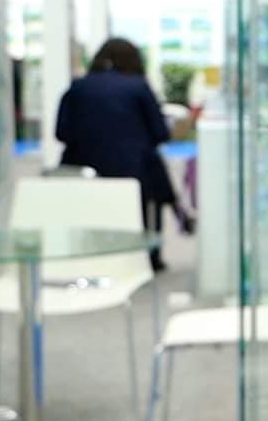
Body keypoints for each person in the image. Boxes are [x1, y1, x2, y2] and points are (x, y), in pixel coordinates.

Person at [55, 37, 189, 272]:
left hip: (85, 173)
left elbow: (61, 133)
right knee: (155, 175)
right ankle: (150, 257)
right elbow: (160, 133)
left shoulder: (77, 87)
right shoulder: (138, 87)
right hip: (133, 172)